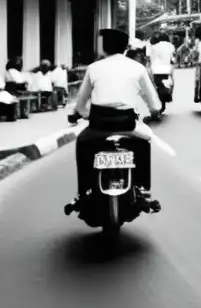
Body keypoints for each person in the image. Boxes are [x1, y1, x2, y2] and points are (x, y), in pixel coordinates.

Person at [67, 28, 162, 215]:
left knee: (83, 143)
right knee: (144, 142)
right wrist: (154, 111)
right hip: (127, 123)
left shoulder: (94, 68)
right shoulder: (137, 68)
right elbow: (154, 102)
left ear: (104, 47)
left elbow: (81, 102)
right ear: (125, 47)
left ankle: (82, 192)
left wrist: (83, 114)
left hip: (99, 124)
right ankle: (144, 191)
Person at [149, 31, 176, 98]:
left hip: (155, 69)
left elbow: (151, 59)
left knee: (152, 81)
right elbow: (173, 58)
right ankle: (171, 91)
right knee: (172, 77)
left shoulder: (154, 46)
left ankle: (154, 94)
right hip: (167, 68)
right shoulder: (171, 45)